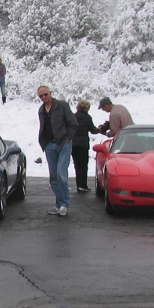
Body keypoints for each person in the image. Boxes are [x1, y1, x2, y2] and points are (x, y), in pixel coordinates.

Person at [37, 85, 77, 216]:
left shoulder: (62, 106)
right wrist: (43, 142)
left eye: (45, 94)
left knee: (61, 174)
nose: (43, 97)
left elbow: (73, 124)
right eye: (41, 96)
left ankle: (64, 204)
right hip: (49, 145)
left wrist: (68, 138)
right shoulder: (41, 110)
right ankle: (59, 204)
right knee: (53, 177)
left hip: (63, 144)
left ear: (51, 93)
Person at [71, 99, 98, 192]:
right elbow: (93, 131)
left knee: (76, 164)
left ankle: (78, 184)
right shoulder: (87, 118)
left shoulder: (73, 117)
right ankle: (83, 185)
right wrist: (101, 129)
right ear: (87, 108)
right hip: (83, 144)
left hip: (73, 144)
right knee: (83, 165)